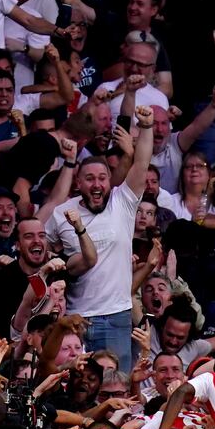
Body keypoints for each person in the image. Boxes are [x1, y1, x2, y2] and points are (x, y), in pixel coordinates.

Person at [46, 105, 155, 370]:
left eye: (103, 178)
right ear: (78, 184)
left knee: (115, 383)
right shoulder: (62, 213)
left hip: (116, 315)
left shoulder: (123, 202)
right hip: (76, 318)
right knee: (76, 384)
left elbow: (141, 163)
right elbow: (43, 250)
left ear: (110, 182)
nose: (97, 184)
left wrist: (147, 126)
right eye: (90, 179)